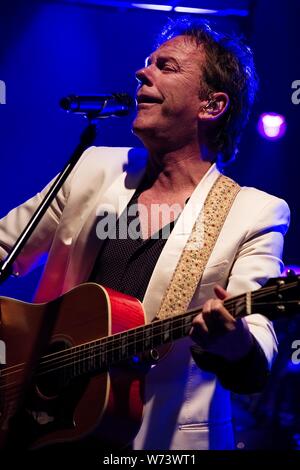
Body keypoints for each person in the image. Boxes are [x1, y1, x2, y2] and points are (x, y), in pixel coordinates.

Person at [0, 18, 290, 450]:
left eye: (165, 66)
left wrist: (235, 344)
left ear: (211, 105)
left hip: (159, 444)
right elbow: (6, 246)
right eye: (146, 62)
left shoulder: (255, 212)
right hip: (40, 423)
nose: (141, 72)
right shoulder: (93, 168)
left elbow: (256, 348)